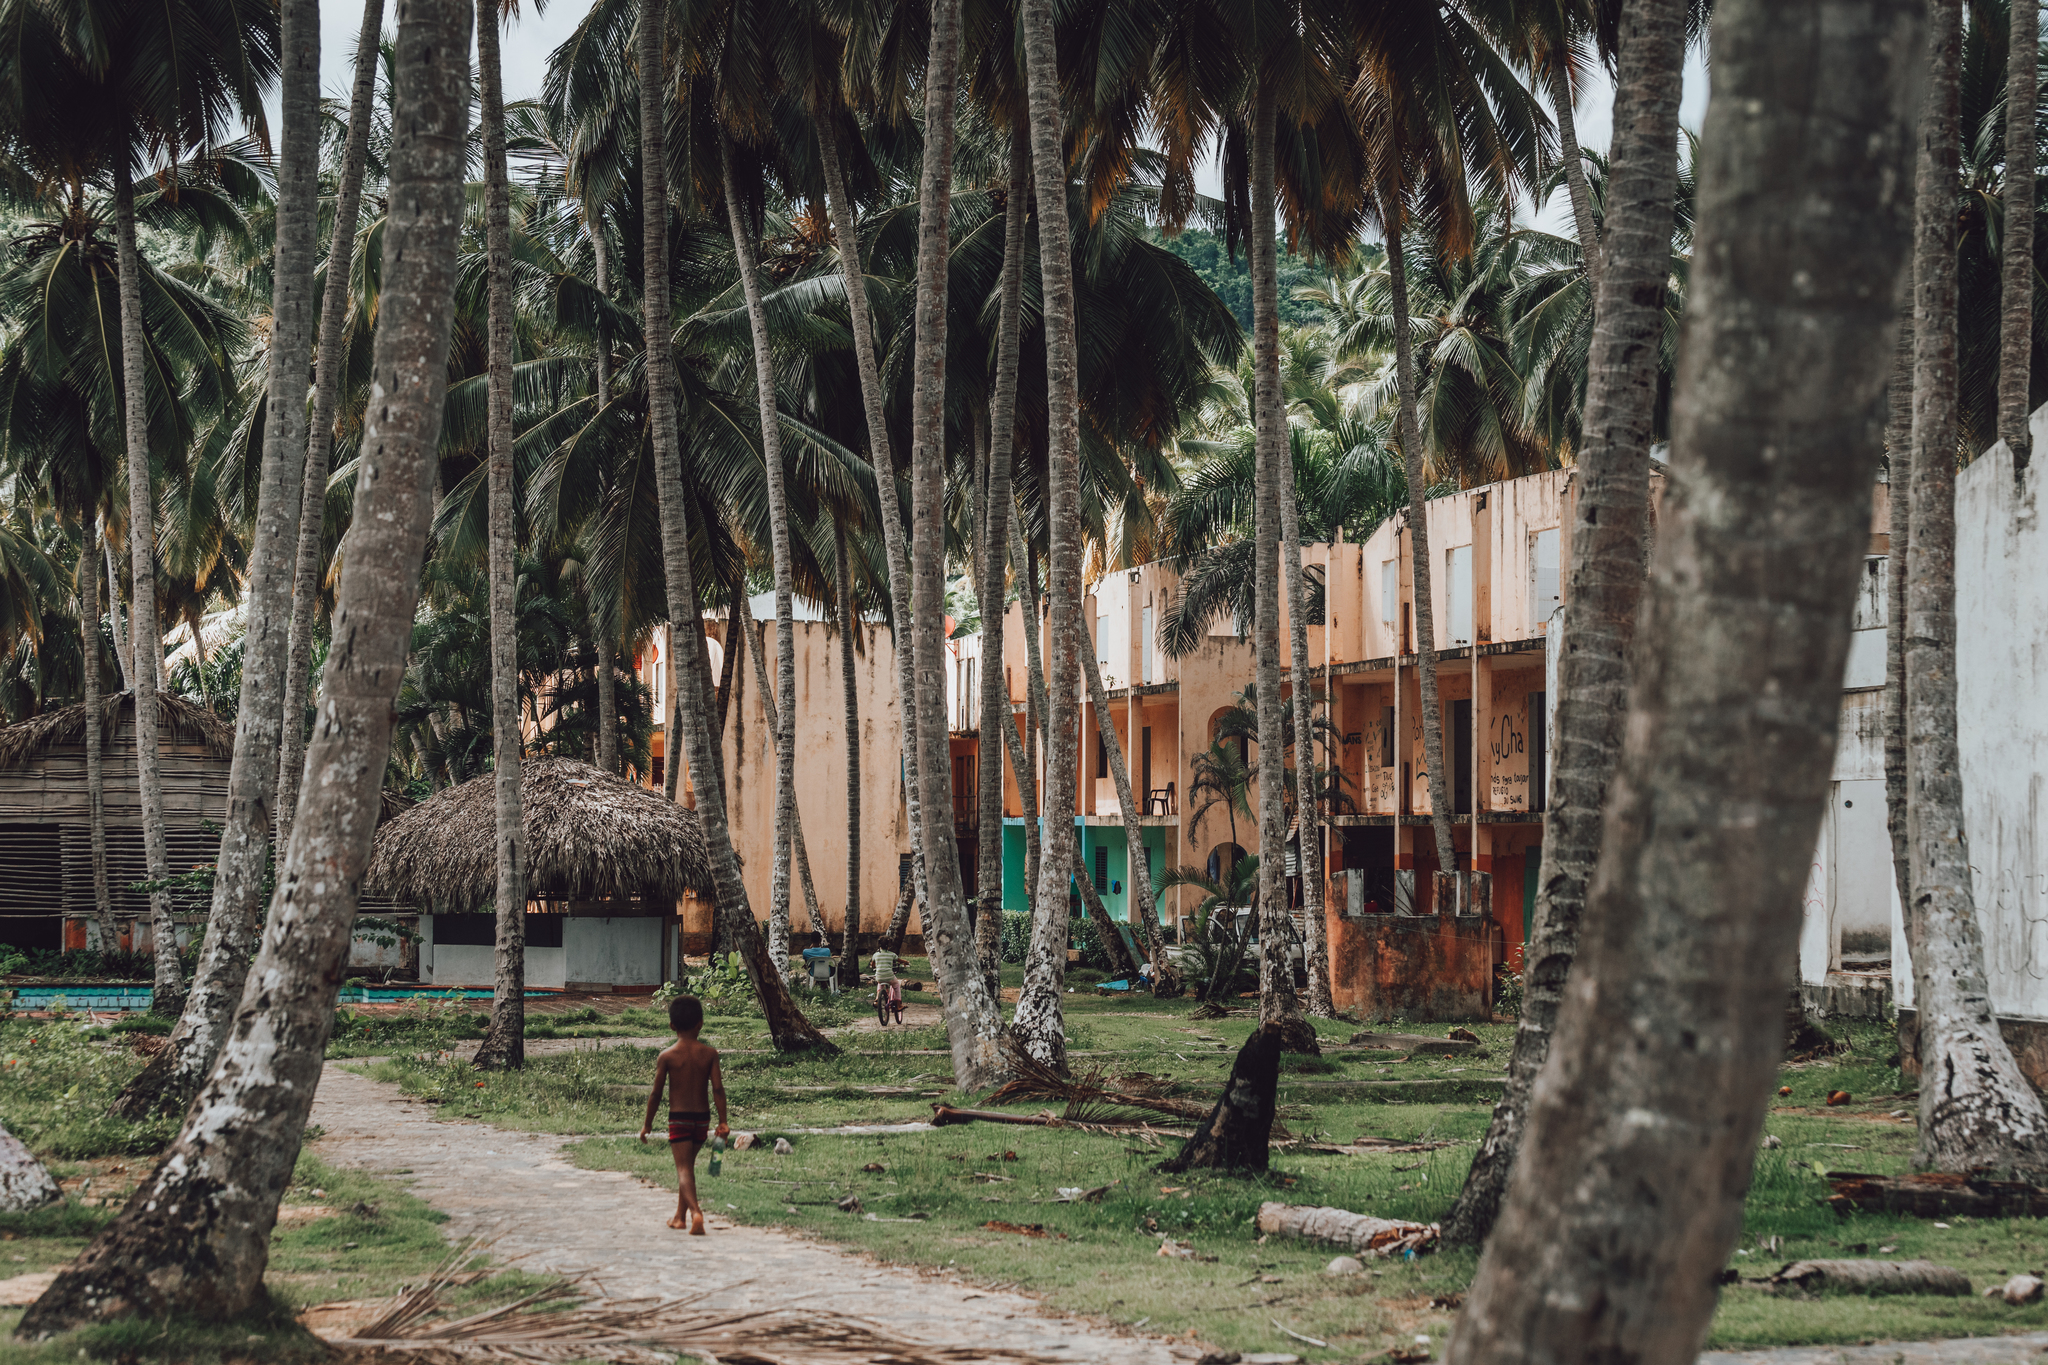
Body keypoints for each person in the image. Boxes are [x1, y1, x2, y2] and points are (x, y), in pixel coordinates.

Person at [638, 994, 729, 1234]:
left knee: (683, 1169)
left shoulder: (667, 1056)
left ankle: (696, 1213)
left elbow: (656, 1095)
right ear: (701, 1023)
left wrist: (647, 1124)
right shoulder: (710, 1054)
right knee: (687, 1165)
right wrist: (723, 1121)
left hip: (679, 1119)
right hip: (702, 1119)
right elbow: (718, 1089)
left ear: (672, 1026)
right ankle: (680, 1217)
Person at [870, 945, 903, 1026]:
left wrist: (875, 966)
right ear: (888, 945)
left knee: (880, 983)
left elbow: (873, 964)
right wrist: (906, 962)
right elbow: (899, 960)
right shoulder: (892, 954)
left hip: (879, 976)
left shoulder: (876, 954)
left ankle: (877, 997)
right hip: (890, 976)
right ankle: (898, 1004)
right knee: (896, 985)